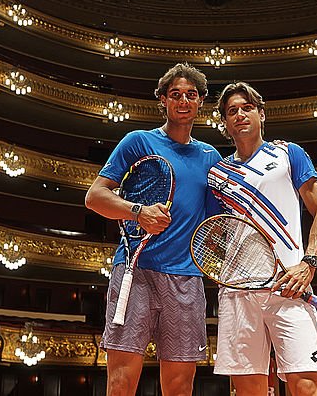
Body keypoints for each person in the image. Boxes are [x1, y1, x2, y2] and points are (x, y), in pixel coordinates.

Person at [85, 62, 221, 396]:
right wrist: (138, 212)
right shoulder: (138, 142)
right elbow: (94, 197)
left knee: (180, 386)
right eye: (175, 95)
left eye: (191, 95)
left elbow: (214, 226)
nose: (183, 101)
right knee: (120, 383)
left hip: (187, 280)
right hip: (135, 272)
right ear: (162, 99)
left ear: (201, 101)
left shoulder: (211, 156)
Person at [208, 81, 317, 396]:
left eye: (247, 108)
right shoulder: (217, 175)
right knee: (248, 390)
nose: (239, 115)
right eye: (231, 111)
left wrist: (309, 264)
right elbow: (212, 235)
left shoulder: (289, 154)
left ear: (262, 114)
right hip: (237, 293)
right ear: (224, 123)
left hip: (290, 287)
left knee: (305, 385)